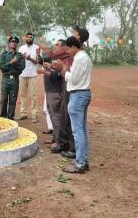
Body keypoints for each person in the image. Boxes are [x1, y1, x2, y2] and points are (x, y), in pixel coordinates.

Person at [53, 36, 93, 173]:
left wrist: (63, 69)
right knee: (82, 130)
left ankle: (80, 164)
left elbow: (74, 80)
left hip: (77, 95)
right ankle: (84, 160)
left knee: (77, 132)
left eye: (68, 49)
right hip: (84, 93)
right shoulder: (85, 57)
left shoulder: (79, 58)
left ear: (74, 47)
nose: (67, 52)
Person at [37, 40, 66, 147]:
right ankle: (55, 138)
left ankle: (59, 142)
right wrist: (47, 65)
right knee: (52, 114)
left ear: (63, 47)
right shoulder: (54, 58)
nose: (55, 46)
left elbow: (55, 76)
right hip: (49, 90)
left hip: (55, 91)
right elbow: (40, 61)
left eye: (58, 45)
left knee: (56, 116)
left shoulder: (61, 59)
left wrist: (43, 71)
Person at [16, 32, 40, 123]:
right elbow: (18, 60)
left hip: (32, 74)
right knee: (23, 94)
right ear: (25, 38)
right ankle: (23, 113)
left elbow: (37, 61)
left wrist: (29, 58)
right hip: (22, 74)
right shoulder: (21, 48)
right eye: (28, 37)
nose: (29, 38)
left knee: (33, 95)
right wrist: (21, 58)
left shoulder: (36, 48)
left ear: (33, 38)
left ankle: (34, 115)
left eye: (31, 37)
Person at [0, 36, 25, 119]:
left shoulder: (20, 56)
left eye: (15, 42)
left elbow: (21, 68)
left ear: (17, 44)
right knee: (3, 99)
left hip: (14, 79)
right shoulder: (4, 55)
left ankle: (10, 117)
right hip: (5, 79)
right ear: (9, 44)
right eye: (12, 42)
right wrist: (11, 63)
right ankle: (3, 116)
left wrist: (15, 63)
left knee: (13, 100)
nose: (13, 43)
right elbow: (2, 67)